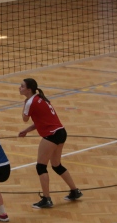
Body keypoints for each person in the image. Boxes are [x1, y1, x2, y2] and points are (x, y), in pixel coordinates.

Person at [18, 78, 82, 209]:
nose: (19, 88)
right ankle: (75, 191)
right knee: (56, 165)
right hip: (61, 132)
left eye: (22, 86)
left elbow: (25, 118)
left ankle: (46, 199)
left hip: (52, 135)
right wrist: (26, 131)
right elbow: (41, 121)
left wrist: (24, 104)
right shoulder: (40, 98)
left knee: (41, 166)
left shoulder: (30, 101)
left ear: (29, 90)